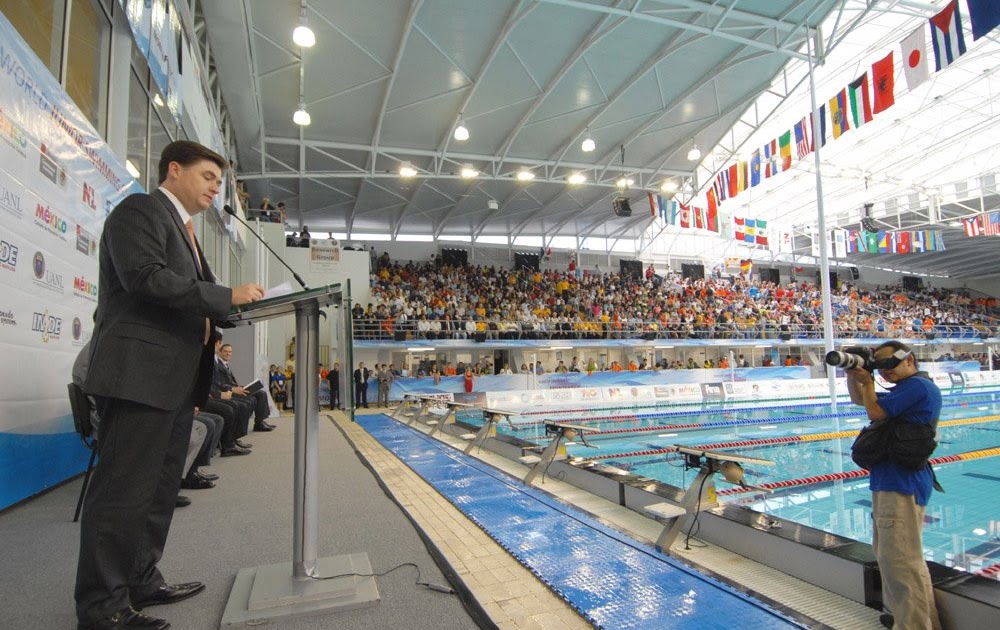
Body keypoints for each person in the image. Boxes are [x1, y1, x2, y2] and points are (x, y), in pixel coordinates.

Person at [76, 140, 264, 630]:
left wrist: (231, 308)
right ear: (174, 170)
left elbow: (189, 299)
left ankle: (140, 578)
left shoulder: (187, 233)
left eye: (219, 182)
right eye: (207, 177)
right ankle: (102, 607)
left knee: (159, 489)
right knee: (123, 491)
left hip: (178, 380)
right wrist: (223, 294)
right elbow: (144, 278)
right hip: (140, 374)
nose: (214, 188)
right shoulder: (140, 211)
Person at [846, 341, 942, 630]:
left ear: (910, 360)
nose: (884, 372)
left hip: (901, 483)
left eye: (889, 364)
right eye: (879, 366)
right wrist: (855, 373)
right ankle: (923, 622)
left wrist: (868, 381)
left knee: (898, 562)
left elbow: (874, 412)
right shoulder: (905, 389)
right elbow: (860, 401)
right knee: (904, 559)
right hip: (893, 481)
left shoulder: (918, 387)